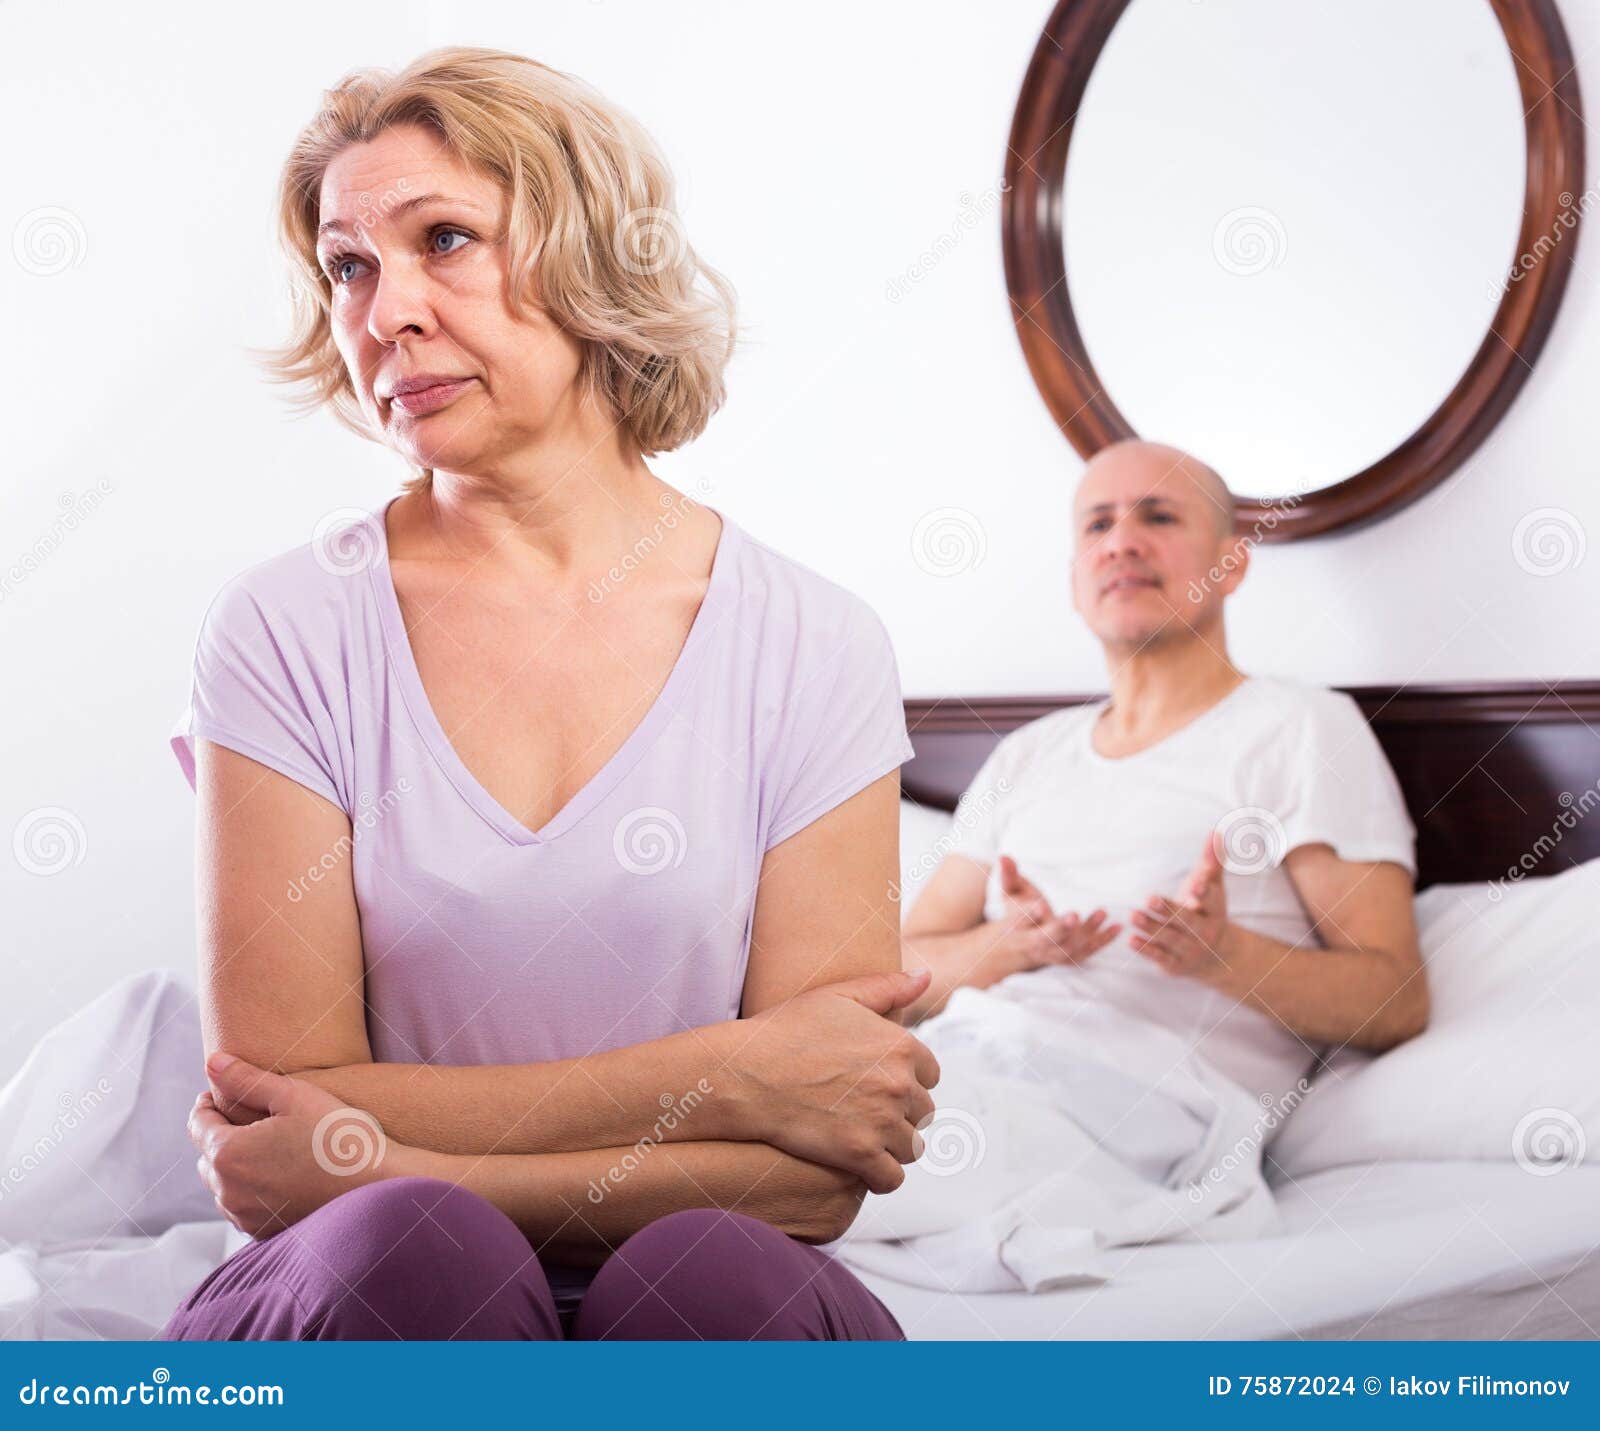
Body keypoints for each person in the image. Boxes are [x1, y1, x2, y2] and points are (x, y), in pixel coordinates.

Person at [161, 46, 939, 1342]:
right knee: (419, 1251)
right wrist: (731, 1075)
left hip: (704, 1269)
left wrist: (403, 1147)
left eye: (445, 239)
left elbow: (817, 1169)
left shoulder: (814, 641)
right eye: (348, 264)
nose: (382, 311)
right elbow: (277, 1125)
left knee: (718, 1278)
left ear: (595, 257)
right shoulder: (284, 628)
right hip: (366, 1275)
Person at [901, 440, 1427, 1110]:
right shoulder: (1027, 754)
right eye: (1098, 523)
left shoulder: (1302, 727)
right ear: (1075, 580)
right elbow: (905, 971)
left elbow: (1398, 999)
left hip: (1154, 1104)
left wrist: (1222, 954)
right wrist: (1007, 945)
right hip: (972, 1062)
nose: (1121, 541)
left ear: (1230, 563)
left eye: (1158, 517)